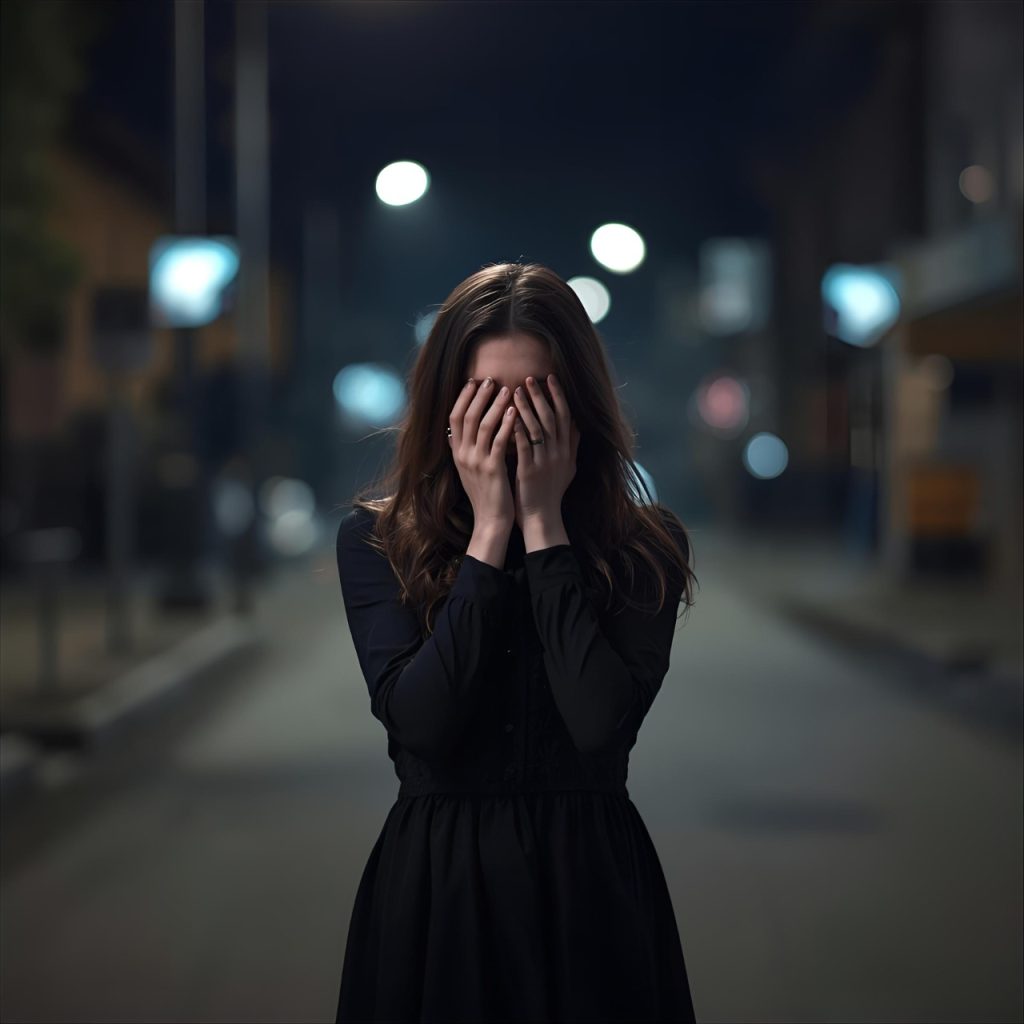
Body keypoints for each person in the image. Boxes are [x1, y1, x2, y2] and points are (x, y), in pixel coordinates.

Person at [334, 262, 700, 1022]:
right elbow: (422, 724)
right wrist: (490, 534)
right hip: (439, 892)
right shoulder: (374, 542)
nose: (510, 426)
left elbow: (601, 726)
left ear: (578, 406)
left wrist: (544, 529)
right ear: (446, 405)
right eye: (486, 399)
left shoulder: (646, 546)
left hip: (590, 891)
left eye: (534, 399)